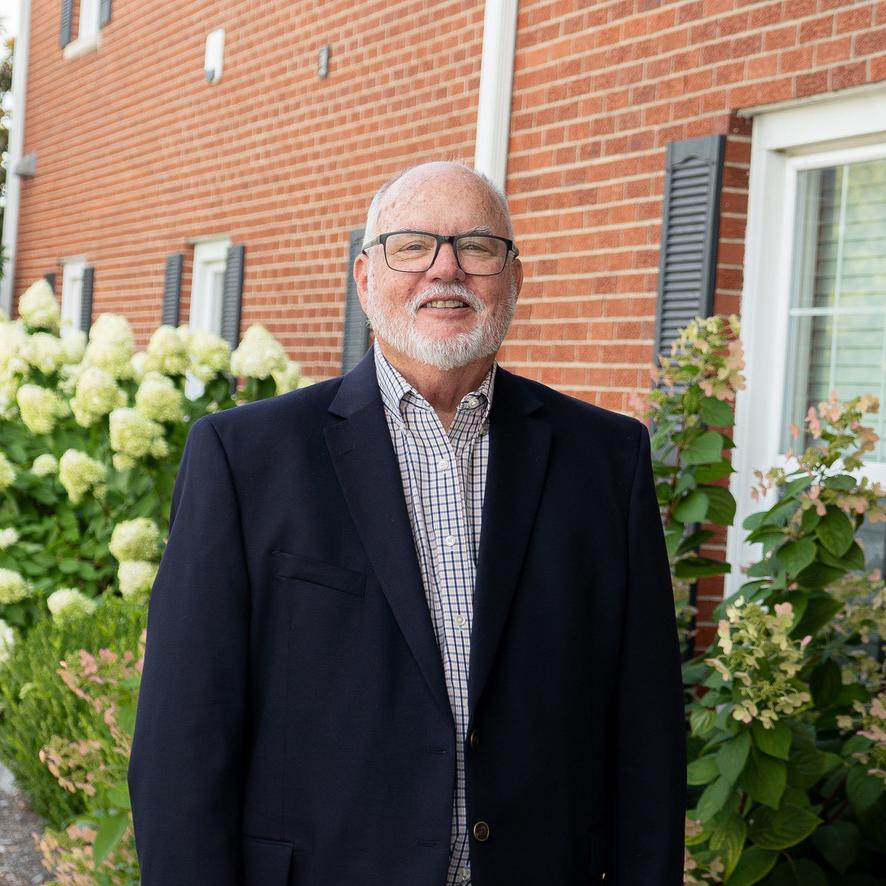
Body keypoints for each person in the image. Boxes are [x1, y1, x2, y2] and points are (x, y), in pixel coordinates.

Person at [128, 161, 686, 886]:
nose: (445, 269)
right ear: (364, 277)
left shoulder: (606, 459)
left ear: (514, 279)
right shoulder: (246, 460)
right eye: (412, 245)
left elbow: (646, 730)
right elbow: (182, 740)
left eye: (478, 247)